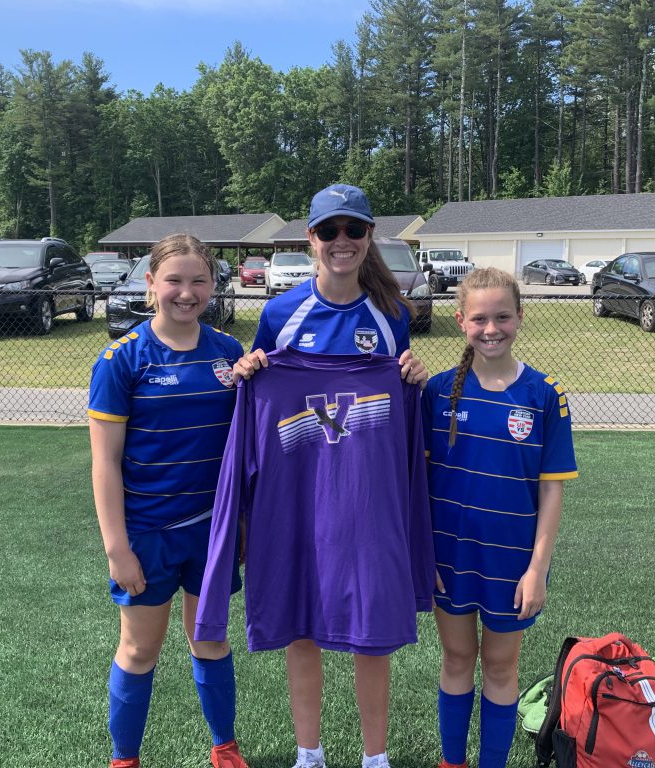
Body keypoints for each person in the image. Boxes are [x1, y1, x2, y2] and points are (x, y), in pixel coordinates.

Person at [227, 183, 430, 768]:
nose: (342, 242)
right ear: (310, 238)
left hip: (366, 501)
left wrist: (414, 377)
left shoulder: (391, 317)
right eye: (329, 231)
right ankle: (309, 753)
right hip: (300, 500)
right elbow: (263, 388)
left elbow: (399, 396)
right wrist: (248, 371)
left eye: (354, 230)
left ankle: (374, 757)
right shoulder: (279, 312)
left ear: (369, 238)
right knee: (302, 624)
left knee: (372, 629)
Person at [88, 234, 249, 768]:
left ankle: (224, 747)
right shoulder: (121, 359)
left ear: (213, 285)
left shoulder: (229, 354)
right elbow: (104, 463)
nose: (186, 292)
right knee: (139, 650)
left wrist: (243, 522)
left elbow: (245, 449)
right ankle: (124, 759)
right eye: (173, 280)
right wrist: (117, 548)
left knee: (211, 643)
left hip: (211, 531)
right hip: (148, 534)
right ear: (150, 283)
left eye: (198, 280)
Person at [422, 268, 577, 768]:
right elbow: (416, 486)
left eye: (503, 317)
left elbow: (551, 491)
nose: (492, 329)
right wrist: (423, 556)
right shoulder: (437, 393)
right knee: (457, 658)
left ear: (521, 317)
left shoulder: (544, 394)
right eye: (480, 318)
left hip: (513, 562)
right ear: (460, 320)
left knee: (500, 663)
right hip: (449, 555)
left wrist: (537, 569)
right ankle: (452, 762)